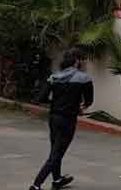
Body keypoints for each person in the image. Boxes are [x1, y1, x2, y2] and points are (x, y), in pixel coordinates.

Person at [29, 48, 94, 190]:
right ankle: (36, 185)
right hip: (68, 120)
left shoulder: (54, 77)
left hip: (54, 118)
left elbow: (41, 98)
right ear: (76, 61)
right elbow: (89, 101)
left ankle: (57, 180)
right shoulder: (84, 78)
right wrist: (80, 107)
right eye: (80, 59)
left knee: (55, 151)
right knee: (56, 154)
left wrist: (56, 103)